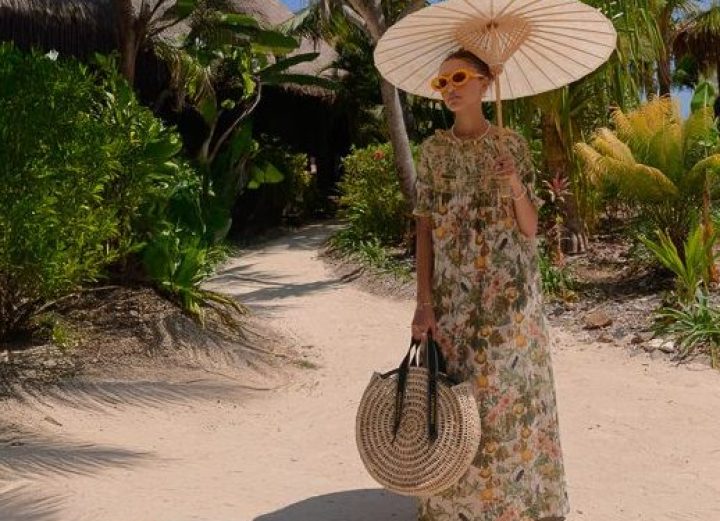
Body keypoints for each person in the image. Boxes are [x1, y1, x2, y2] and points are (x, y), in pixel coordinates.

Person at [410, 49, 571, 521]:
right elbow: (424, 230)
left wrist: (514, 180)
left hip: (510, 299)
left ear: (486, 82)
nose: (450, 88)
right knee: (456, 400)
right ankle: (458, 507)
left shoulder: (511, 145)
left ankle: (518, 507)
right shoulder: (432, 153)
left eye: (459, 77)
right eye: (442, 83)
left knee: (509, 399)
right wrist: (423, 302)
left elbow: (530, 228)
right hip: (454, 298)